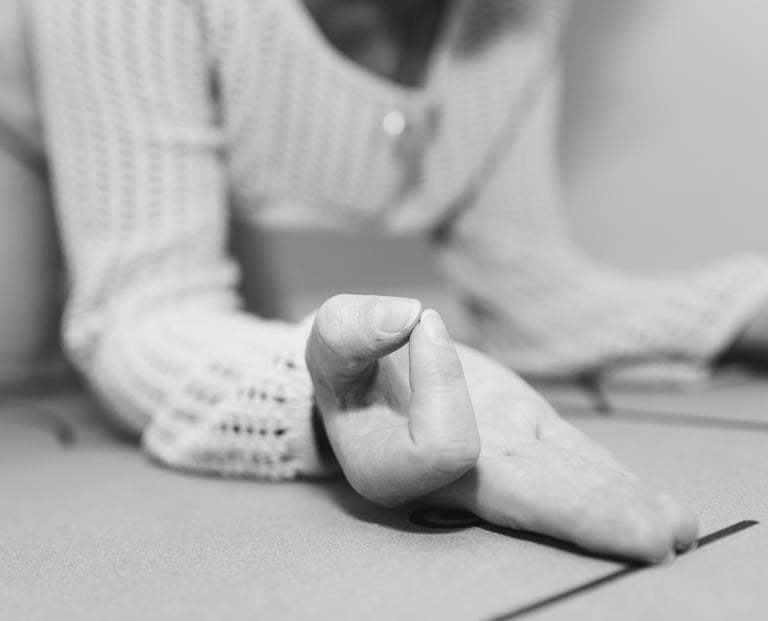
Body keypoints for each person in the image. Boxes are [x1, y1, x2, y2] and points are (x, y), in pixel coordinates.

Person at [11, 0, 768, 563]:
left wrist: (748, 303)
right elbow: (146, 309)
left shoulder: (512, 14)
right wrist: (343, 393)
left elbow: (531, 290)